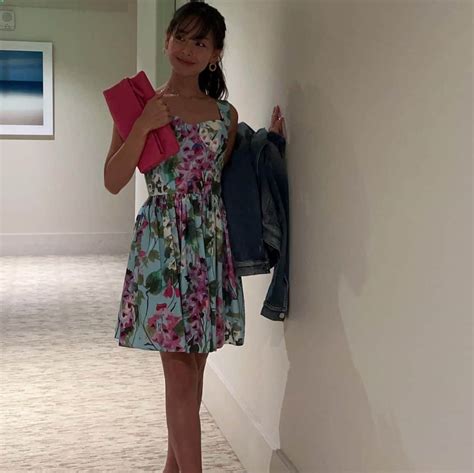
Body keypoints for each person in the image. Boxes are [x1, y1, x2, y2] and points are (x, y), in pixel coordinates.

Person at [103, 3, 285, 472]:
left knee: (195, 375)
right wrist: (143, 124)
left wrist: (270, 145)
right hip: (162, 247)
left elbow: (227, 179)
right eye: (180, 37)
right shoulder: (139, 104)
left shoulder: (225, 115)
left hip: (208, 246)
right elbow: (113, 179)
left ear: (215, 54)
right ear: (167, 39)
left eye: (200, 42)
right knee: (181, 380)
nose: (187, 49)